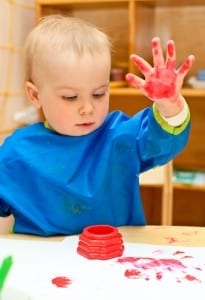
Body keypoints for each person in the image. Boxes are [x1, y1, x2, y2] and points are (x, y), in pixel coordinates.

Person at [0, 15, 194, 236]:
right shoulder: (18, 151)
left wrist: (170, 106)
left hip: (116, 259)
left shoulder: (121, 136)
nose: (87, 108)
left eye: (99, 94)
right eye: (71, 97)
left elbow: (163, 140)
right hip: (44, 265)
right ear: (35, 95)